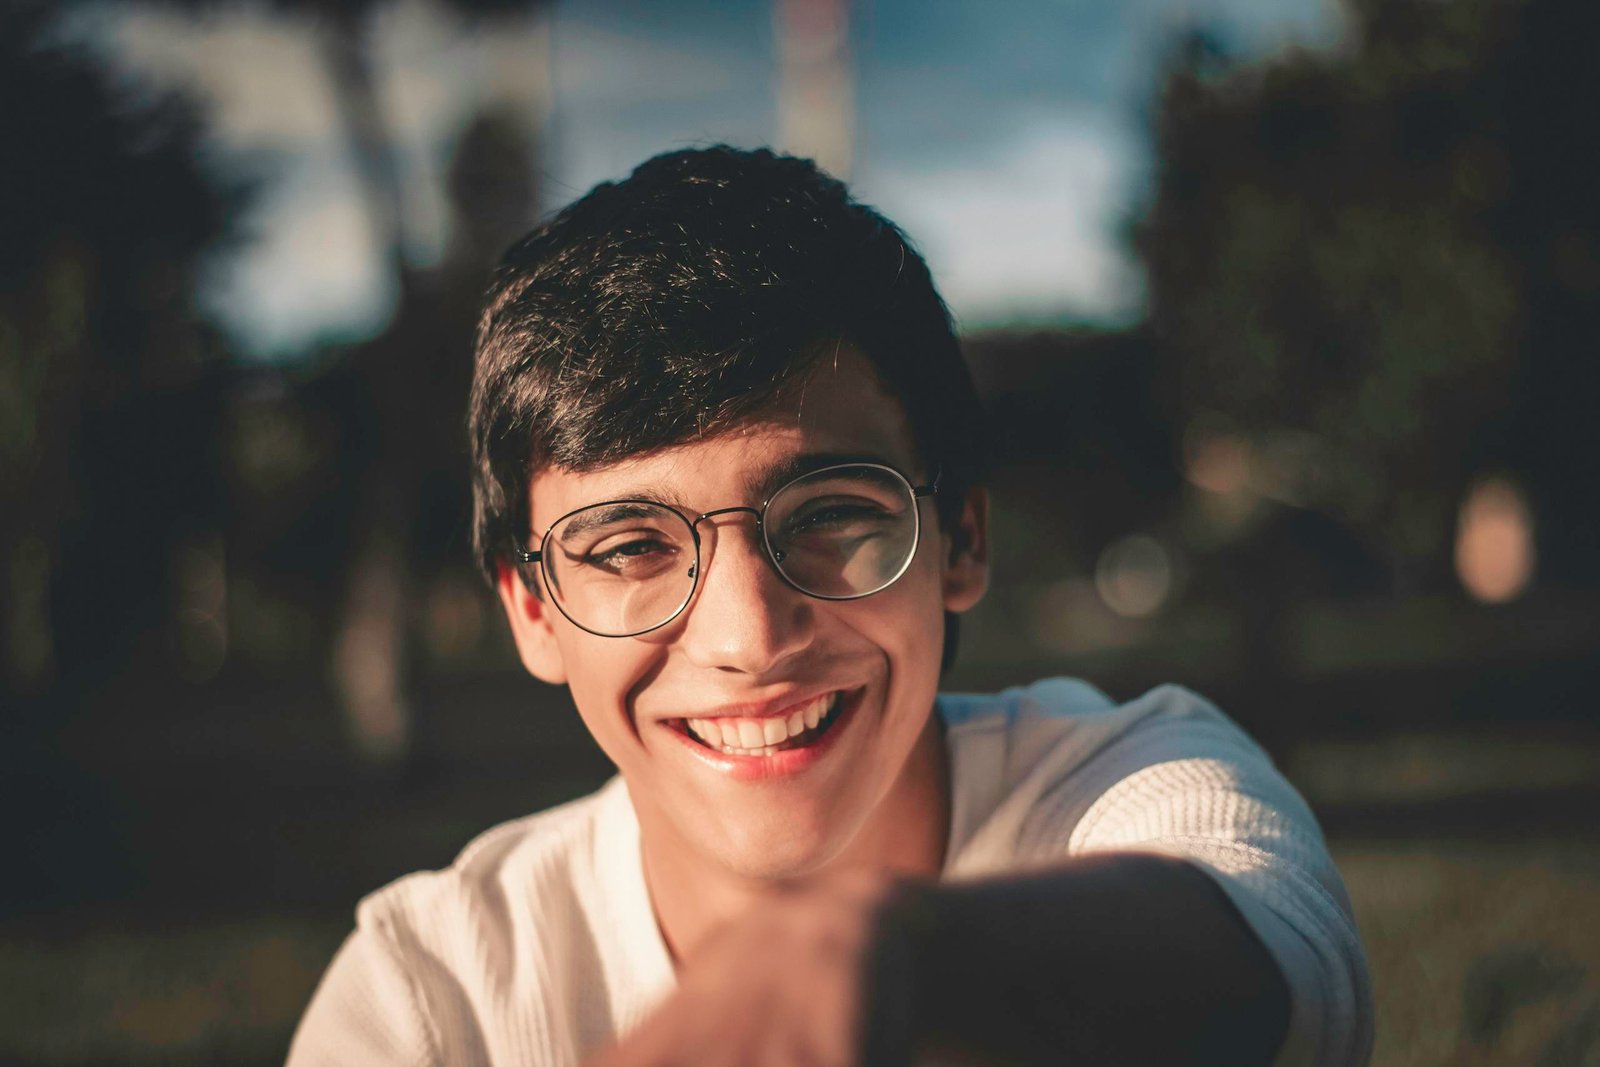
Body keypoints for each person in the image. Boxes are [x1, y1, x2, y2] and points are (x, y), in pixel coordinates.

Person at [287, 145, 1373, 1066]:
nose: (749, 636)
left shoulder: (1119, 782)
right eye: (628, 545)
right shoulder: (434, 998)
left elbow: (1281, 960)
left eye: (830, 515)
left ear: (961, 540)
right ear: (531, 609)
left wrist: (884, 952)